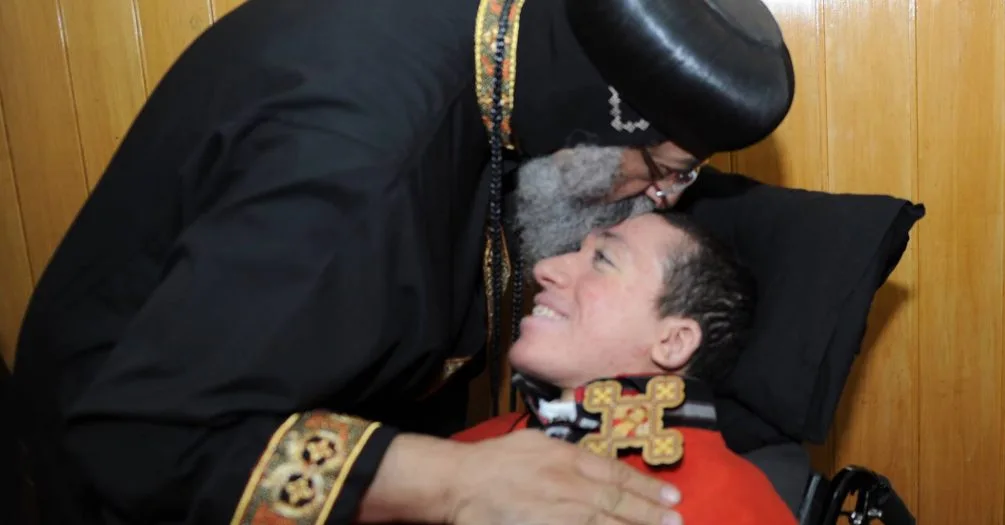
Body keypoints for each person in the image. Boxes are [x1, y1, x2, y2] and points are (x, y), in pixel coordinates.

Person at [10, 0, 794, 524]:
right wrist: (457, 480)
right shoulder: (359, 165)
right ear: (604, 115)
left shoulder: (500, 52)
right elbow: (144, 439)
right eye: (663, 171)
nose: (655, 198)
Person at [454, 211, 798, 524]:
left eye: (603, 259)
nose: (544, 269)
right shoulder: (476, 449)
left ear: (673, 342)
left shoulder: (734, 507)